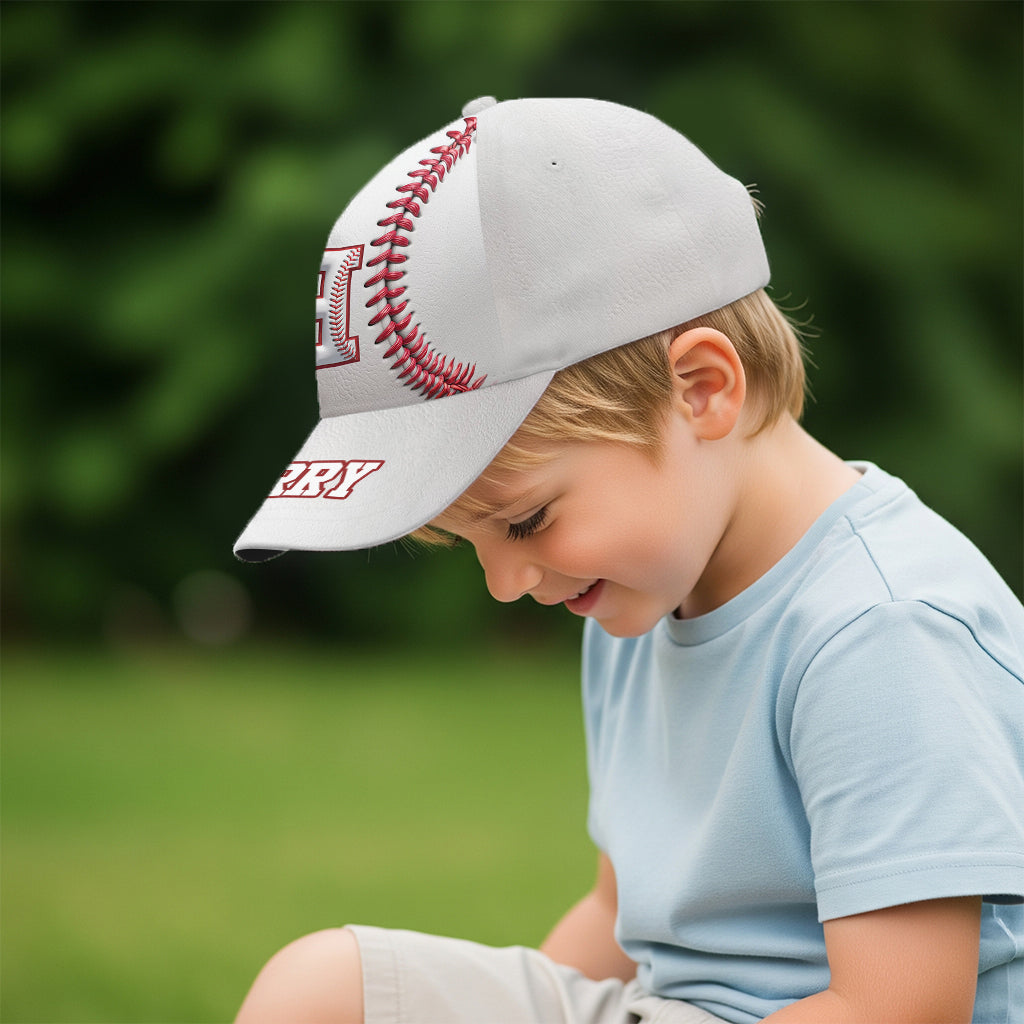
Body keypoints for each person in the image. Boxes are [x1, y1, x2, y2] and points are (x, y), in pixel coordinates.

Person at [231, 97, 1024, 1023]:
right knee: (322, 990)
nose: (506, 585)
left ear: (701, 390)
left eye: (525, 521)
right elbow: (619, 915)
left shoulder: (881, 630)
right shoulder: (635, 597)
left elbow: (899, 1008)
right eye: (471, 542)